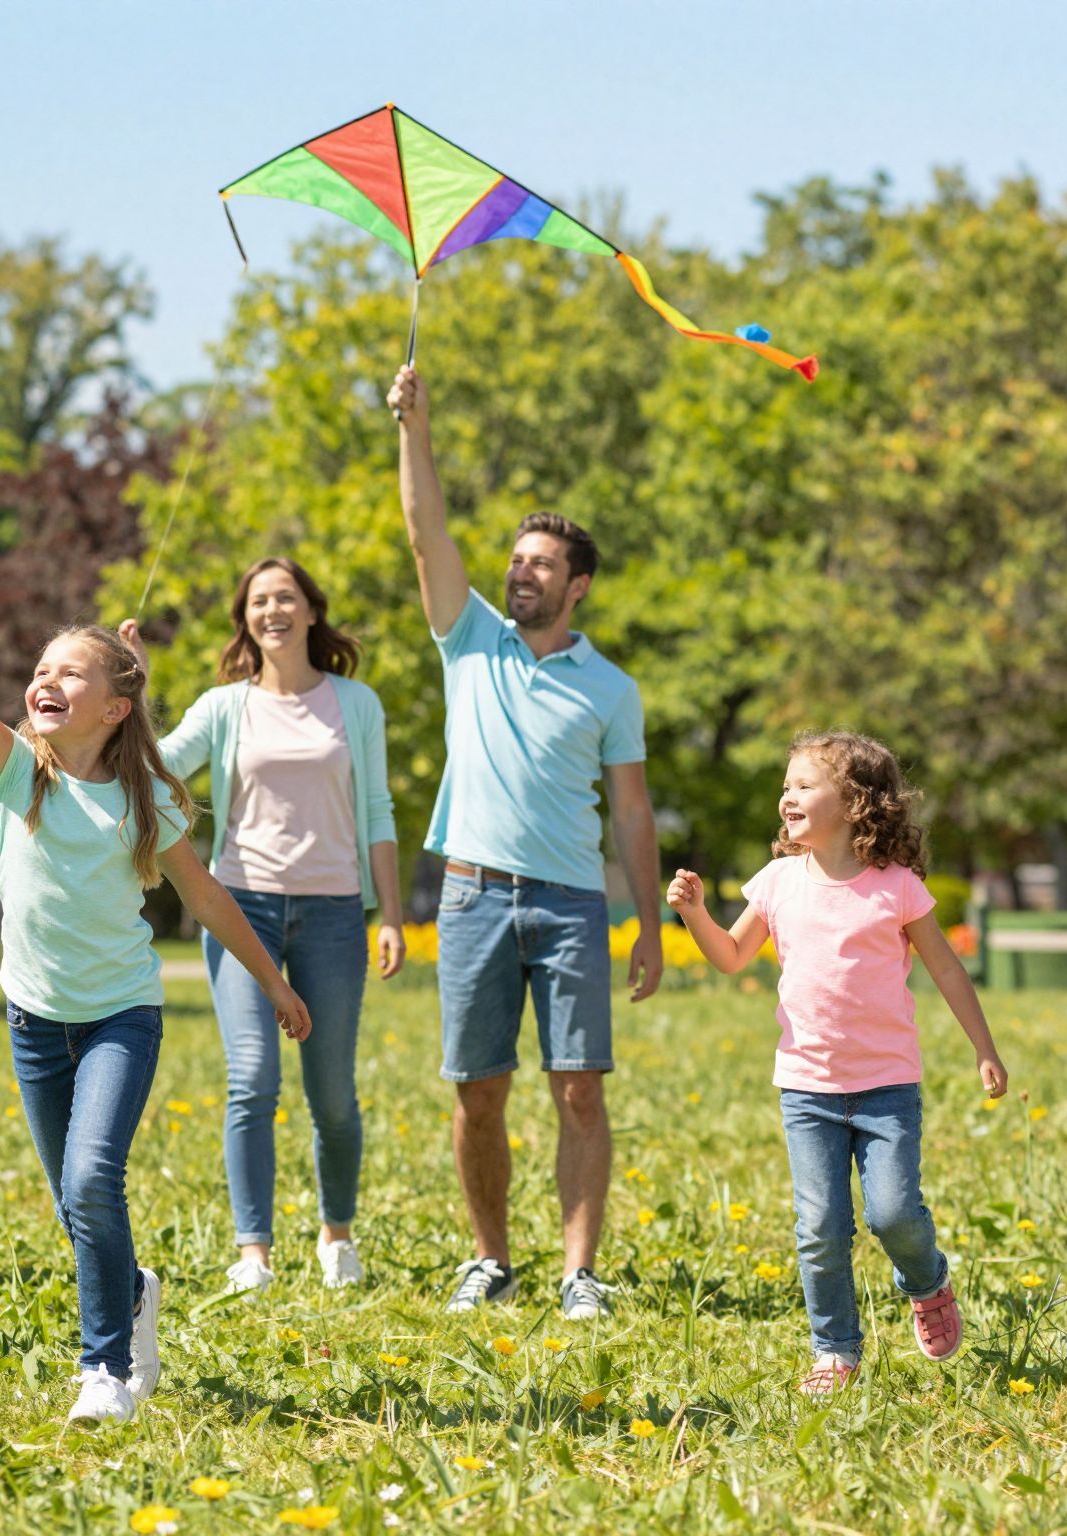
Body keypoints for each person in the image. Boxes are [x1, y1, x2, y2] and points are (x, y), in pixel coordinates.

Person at [0, 542, 312, 1426]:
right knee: (76, 1204)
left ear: (115, 704)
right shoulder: (19, 774)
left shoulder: (147, 800)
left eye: (74, 671)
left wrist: (273, 981)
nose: (46, 679)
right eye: (41, 669)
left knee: (94, 1180)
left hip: (120, 1018)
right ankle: (132, 1288)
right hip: (36, 1024)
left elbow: (209, 898)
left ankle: (101, 1368)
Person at [388, 363, 665, 1321]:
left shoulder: (611, 690)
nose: (521, 572)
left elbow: (631, 814)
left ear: (577, 586)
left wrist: (654, 927)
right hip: (468, 897)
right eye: (516, 560)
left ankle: (579, 1272)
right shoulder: (470, 641)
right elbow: (427, 534)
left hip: (570, 906)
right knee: (478, 1094)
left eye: (541, 564)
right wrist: (413, 430)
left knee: (580, 1091)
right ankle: (491, 1260)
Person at [667, 731, 1008, 1394]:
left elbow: (945, 968)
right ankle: (835, 1350)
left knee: (892, 1213)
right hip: (807, 1088)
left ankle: (927, 1280)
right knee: (820, 1227)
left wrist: (984, 1049)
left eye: (803, 785)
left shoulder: (896, 888)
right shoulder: (776, 883)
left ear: (854, 804)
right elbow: (731, 957)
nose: (786, 795)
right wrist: (695, 914)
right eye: (786, 785)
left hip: (886, 1087)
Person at [120, 557, 403, 1294]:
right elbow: (154, 768)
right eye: (257, 601)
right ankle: (254, 1252)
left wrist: (392, 914)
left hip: (336, 912)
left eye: (285, 598)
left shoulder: (357, 703)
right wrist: (135, 686)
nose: (272, 610)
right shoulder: (224, 706)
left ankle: (336, 1233)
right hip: (241, 906)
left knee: (332, 1092)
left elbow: (377, 812)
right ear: (246, 619)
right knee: (251, 1081)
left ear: (312, 610)